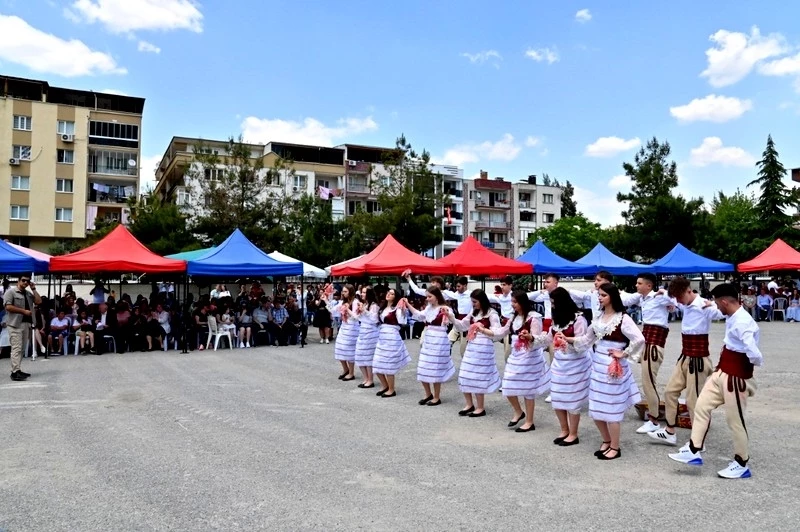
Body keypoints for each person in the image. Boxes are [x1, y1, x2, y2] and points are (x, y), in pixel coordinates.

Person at [669, 283, 763, 479]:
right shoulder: (733, 316)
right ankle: (694, 450)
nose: (715, 307)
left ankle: (741, 462)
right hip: (722, 372)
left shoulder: (743, 322)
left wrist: (745, 368)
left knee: (735, 420)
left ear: (725, 302)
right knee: (701, 406)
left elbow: (754, 353)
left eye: (717, 303)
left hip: (735, 376)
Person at [559, 283, 645, 460]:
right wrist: (567, 338)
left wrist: (623, 353)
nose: (600, 298)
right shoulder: (598, 317)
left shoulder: (623, 318)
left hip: (613, 366)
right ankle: (606, 440)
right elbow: (586, 340)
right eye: (599, 295)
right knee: (597, 405)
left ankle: (615, 446)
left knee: (611, 407)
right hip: (598, 364)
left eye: (603, 295)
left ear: (612, 296)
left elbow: (639, 339)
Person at [648, 277, 724, 446]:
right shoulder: (683, 301)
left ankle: (698, 443)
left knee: (693, 401)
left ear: (689, 291)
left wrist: (715, 305)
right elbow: (672, 298)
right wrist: (664, 293)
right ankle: (669, 431)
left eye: (680, 297)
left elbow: (722, 312)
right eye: (677, 298)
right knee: (670, 392)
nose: (679, 301)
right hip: (685, 357)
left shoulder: (703, 305)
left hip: (698, 359)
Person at [623, 273, 676, 435]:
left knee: (649, 382)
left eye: (640, 283)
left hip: (655, 344)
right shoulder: (642, 298)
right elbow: (625, 300)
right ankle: (653, 417)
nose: (637, 286)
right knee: (647, 382)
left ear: (649, 285)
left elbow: (677, 302)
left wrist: (666, 294)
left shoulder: (658, 297)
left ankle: (653, 420)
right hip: (647, 342)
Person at [491, 291, 550, 433]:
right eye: (512, 302)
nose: (512, 305)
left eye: (515, 302)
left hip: (529, 356)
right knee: (507, 385)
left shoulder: (534, 318)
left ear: (522, 302)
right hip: (516, 354)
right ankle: (518, 411)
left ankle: (530, 421)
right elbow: (503, 331)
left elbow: (537, 340)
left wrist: (529, 337)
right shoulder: (513, 317)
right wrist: (485, 331)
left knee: (528, 390)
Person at [546, 287, 593, 446]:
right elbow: (547, 338)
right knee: (558, 396)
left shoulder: (579, 318)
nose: (552, 306)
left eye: (554, 303)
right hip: (559, 362)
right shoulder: (556, 319)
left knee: (572, 398)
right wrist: (532, 338)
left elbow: (583, 342)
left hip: (575, 362)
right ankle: (564, 429)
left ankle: (573, 433)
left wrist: (567, 340)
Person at [450, 289, 502, 417]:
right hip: (472, 346)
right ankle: (469, 404)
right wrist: (451, 317)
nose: (473, 304)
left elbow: (497, 334)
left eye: (475, 302)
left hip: (484, 348)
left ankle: (480, 407)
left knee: (479, 376)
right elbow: (462, 326)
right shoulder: (473, 313)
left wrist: (483, 330)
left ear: (482, 301)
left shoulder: (492, 314)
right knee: (465, 374)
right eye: (472, 301)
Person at [405, 287, 456, 406]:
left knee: (435, 368)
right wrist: (407, 304)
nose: (427, 299)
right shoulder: (428, 308)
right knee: (423, 366)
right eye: (427, 296)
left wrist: (447, 314)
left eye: (429, 296)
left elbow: (451, 319)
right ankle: (428, 393)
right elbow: (418, 315)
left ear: (436, 296)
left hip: (439, 339)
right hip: (428, 339)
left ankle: (437, 396)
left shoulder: (445, 308)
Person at [403, 271, 472, 355]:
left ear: (439, 284)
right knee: (424, 343)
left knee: (457, 347)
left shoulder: (446, 294)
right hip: (430, 324)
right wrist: (409, 279)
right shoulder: (429, 293)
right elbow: (417, 290)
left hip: (450, 323)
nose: (432, 284)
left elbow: (458, 297)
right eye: (431, 282)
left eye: (434, 282)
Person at [372, 289, 411, 397]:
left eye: (392, 293)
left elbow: (403, 322)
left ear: (396, 297)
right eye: (388, 292)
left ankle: (391, 389)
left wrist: (403, 310)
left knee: (389, 364)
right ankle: (385, 386)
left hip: (392, 337)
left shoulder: (397, 309)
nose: (389, 294)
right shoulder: (383, 308)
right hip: (382, 336)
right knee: (376, 363)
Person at [4, 276, 41, 380]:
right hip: (15, 324)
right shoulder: (11, 292)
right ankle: (15, 372)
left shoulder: (28, 293)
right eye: (23, 280)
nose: (25, 282)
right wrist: (23, 311)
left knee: (22, 348)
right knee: (17, 348)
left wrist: (33, 289)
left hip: (26, 323)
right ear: (18, 281)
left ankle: (17, 369)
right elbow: (8, 307)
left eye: (28, 281)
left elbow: (38, 301)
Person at [354, 287, 380, 389]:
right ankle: (365, 378)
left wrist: (364, 310)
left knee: (368, 357)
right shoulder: (364, 304)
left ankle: (370, 380)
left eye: (364, 292)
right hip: (362, 331)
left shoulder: (374, 305)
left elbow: (374, 319)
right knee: (360, 355)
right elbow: (359, 318)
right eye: (362, 292)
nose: (362, 294)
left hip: (371, 332)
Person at [333, 285, 359, 381]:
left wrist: (347, 309)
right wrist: (326, 300)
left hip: (352, 327)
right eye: (343, 291)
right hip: (344, 326)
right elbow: (333, 310)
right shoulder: (342, 302)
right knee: (339, 347)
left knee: (349, 350)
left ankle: (351, 373)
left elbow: (356, 317)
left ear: (350, 292)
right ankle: (345, 369)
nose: (343, 293)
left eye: (345, 291)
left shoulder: (355, 302)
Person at [487, 276, 516, 358]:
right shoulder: (500, 297)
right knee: (506, 351)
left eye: (504, 285)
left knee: (509, 352)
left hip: (513, 327)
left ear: (510, 285)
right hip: (504, 326)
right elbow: (488, 296)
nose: (502, 287)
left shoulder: (515, 297)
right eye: (501, 285)